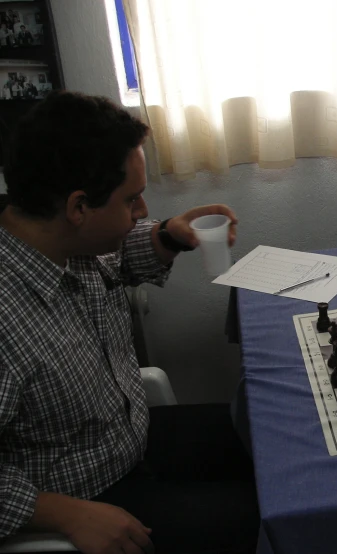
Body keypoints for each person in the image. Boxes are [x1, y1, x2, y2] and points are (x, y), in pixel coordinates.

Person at [0, 91, 260, 553]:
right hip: (87, 494)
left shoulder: (64, 243)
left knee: (270, 433)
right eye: (133, 199)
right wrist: (63, 513)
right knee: (259, 515)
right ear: (79, 207)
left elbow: (117, 255)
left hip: (133, 440)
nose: (143, 213)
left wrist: (168, 235)